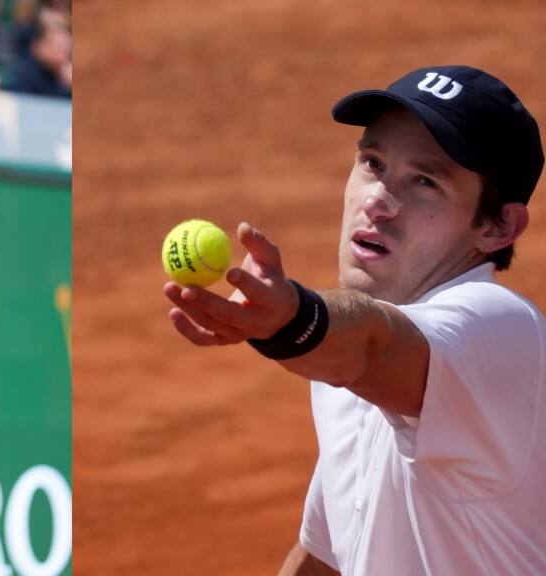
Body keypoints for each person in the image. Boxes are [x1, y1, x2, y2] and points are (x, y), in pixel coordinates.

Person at [164, 65, 546, 575]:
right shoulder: (340, 372)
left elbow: (373, 341)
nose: (377, 201)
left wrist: (291, 321)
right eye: (372, 162)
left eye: (425, 182)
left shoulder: (502, 332)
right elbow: (327, 552)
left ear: (498, 225)